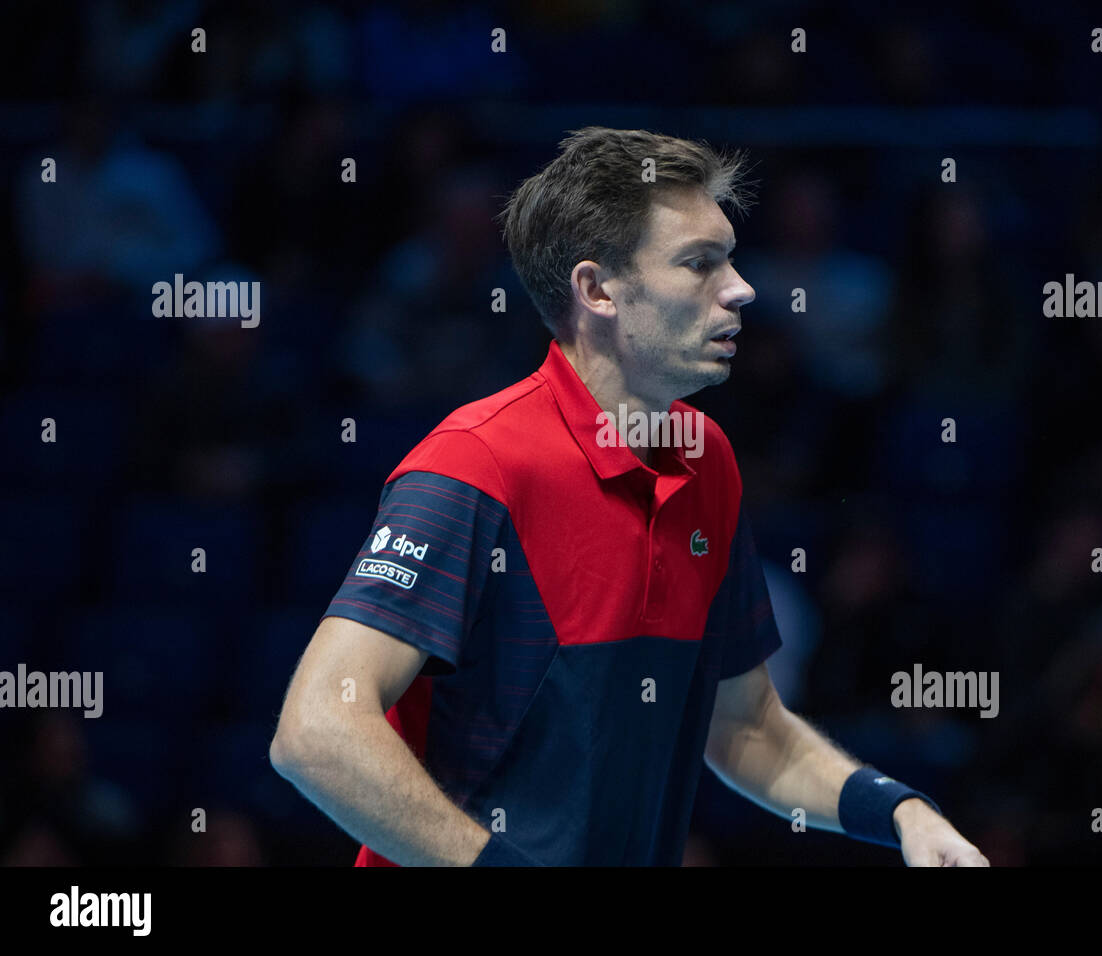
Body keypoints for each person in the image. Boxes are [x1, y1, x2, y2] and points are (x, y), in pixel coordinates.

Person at [270, 127, 989, 867]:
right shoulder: (475, 464)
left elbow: (745, 727)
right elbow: (318, 729)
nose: (741, 288)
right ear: (597, 290)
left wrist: (902, 812)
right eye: (699, 264)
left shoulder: (708, 460)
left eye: (730, 259)